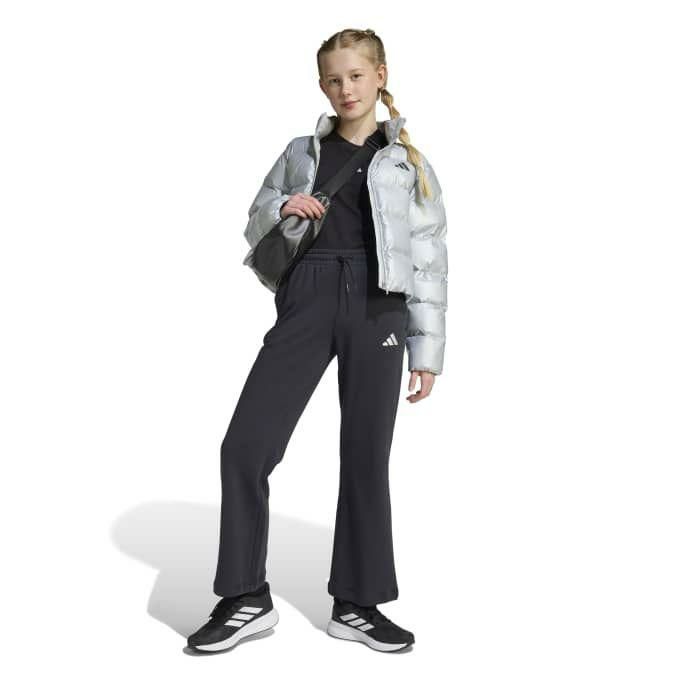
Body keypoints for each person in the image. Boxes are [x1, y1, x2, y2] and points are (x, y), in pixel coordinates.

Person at [187, 27, 447, 654]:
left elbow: (429, 260)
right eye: (333, 79)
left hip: (380, 308)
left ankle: (357, 604)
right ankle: (245, 597)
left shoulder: (410, 165)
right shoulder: (300, 151)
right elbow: (256, 217)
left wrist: (427, 351)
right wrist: (284, 210)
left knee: (365, 456)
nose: (345, 88)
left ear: (380, 76)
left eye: (355, 76)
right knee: (245, 447)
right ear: (322, 85)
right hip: (307, 295)